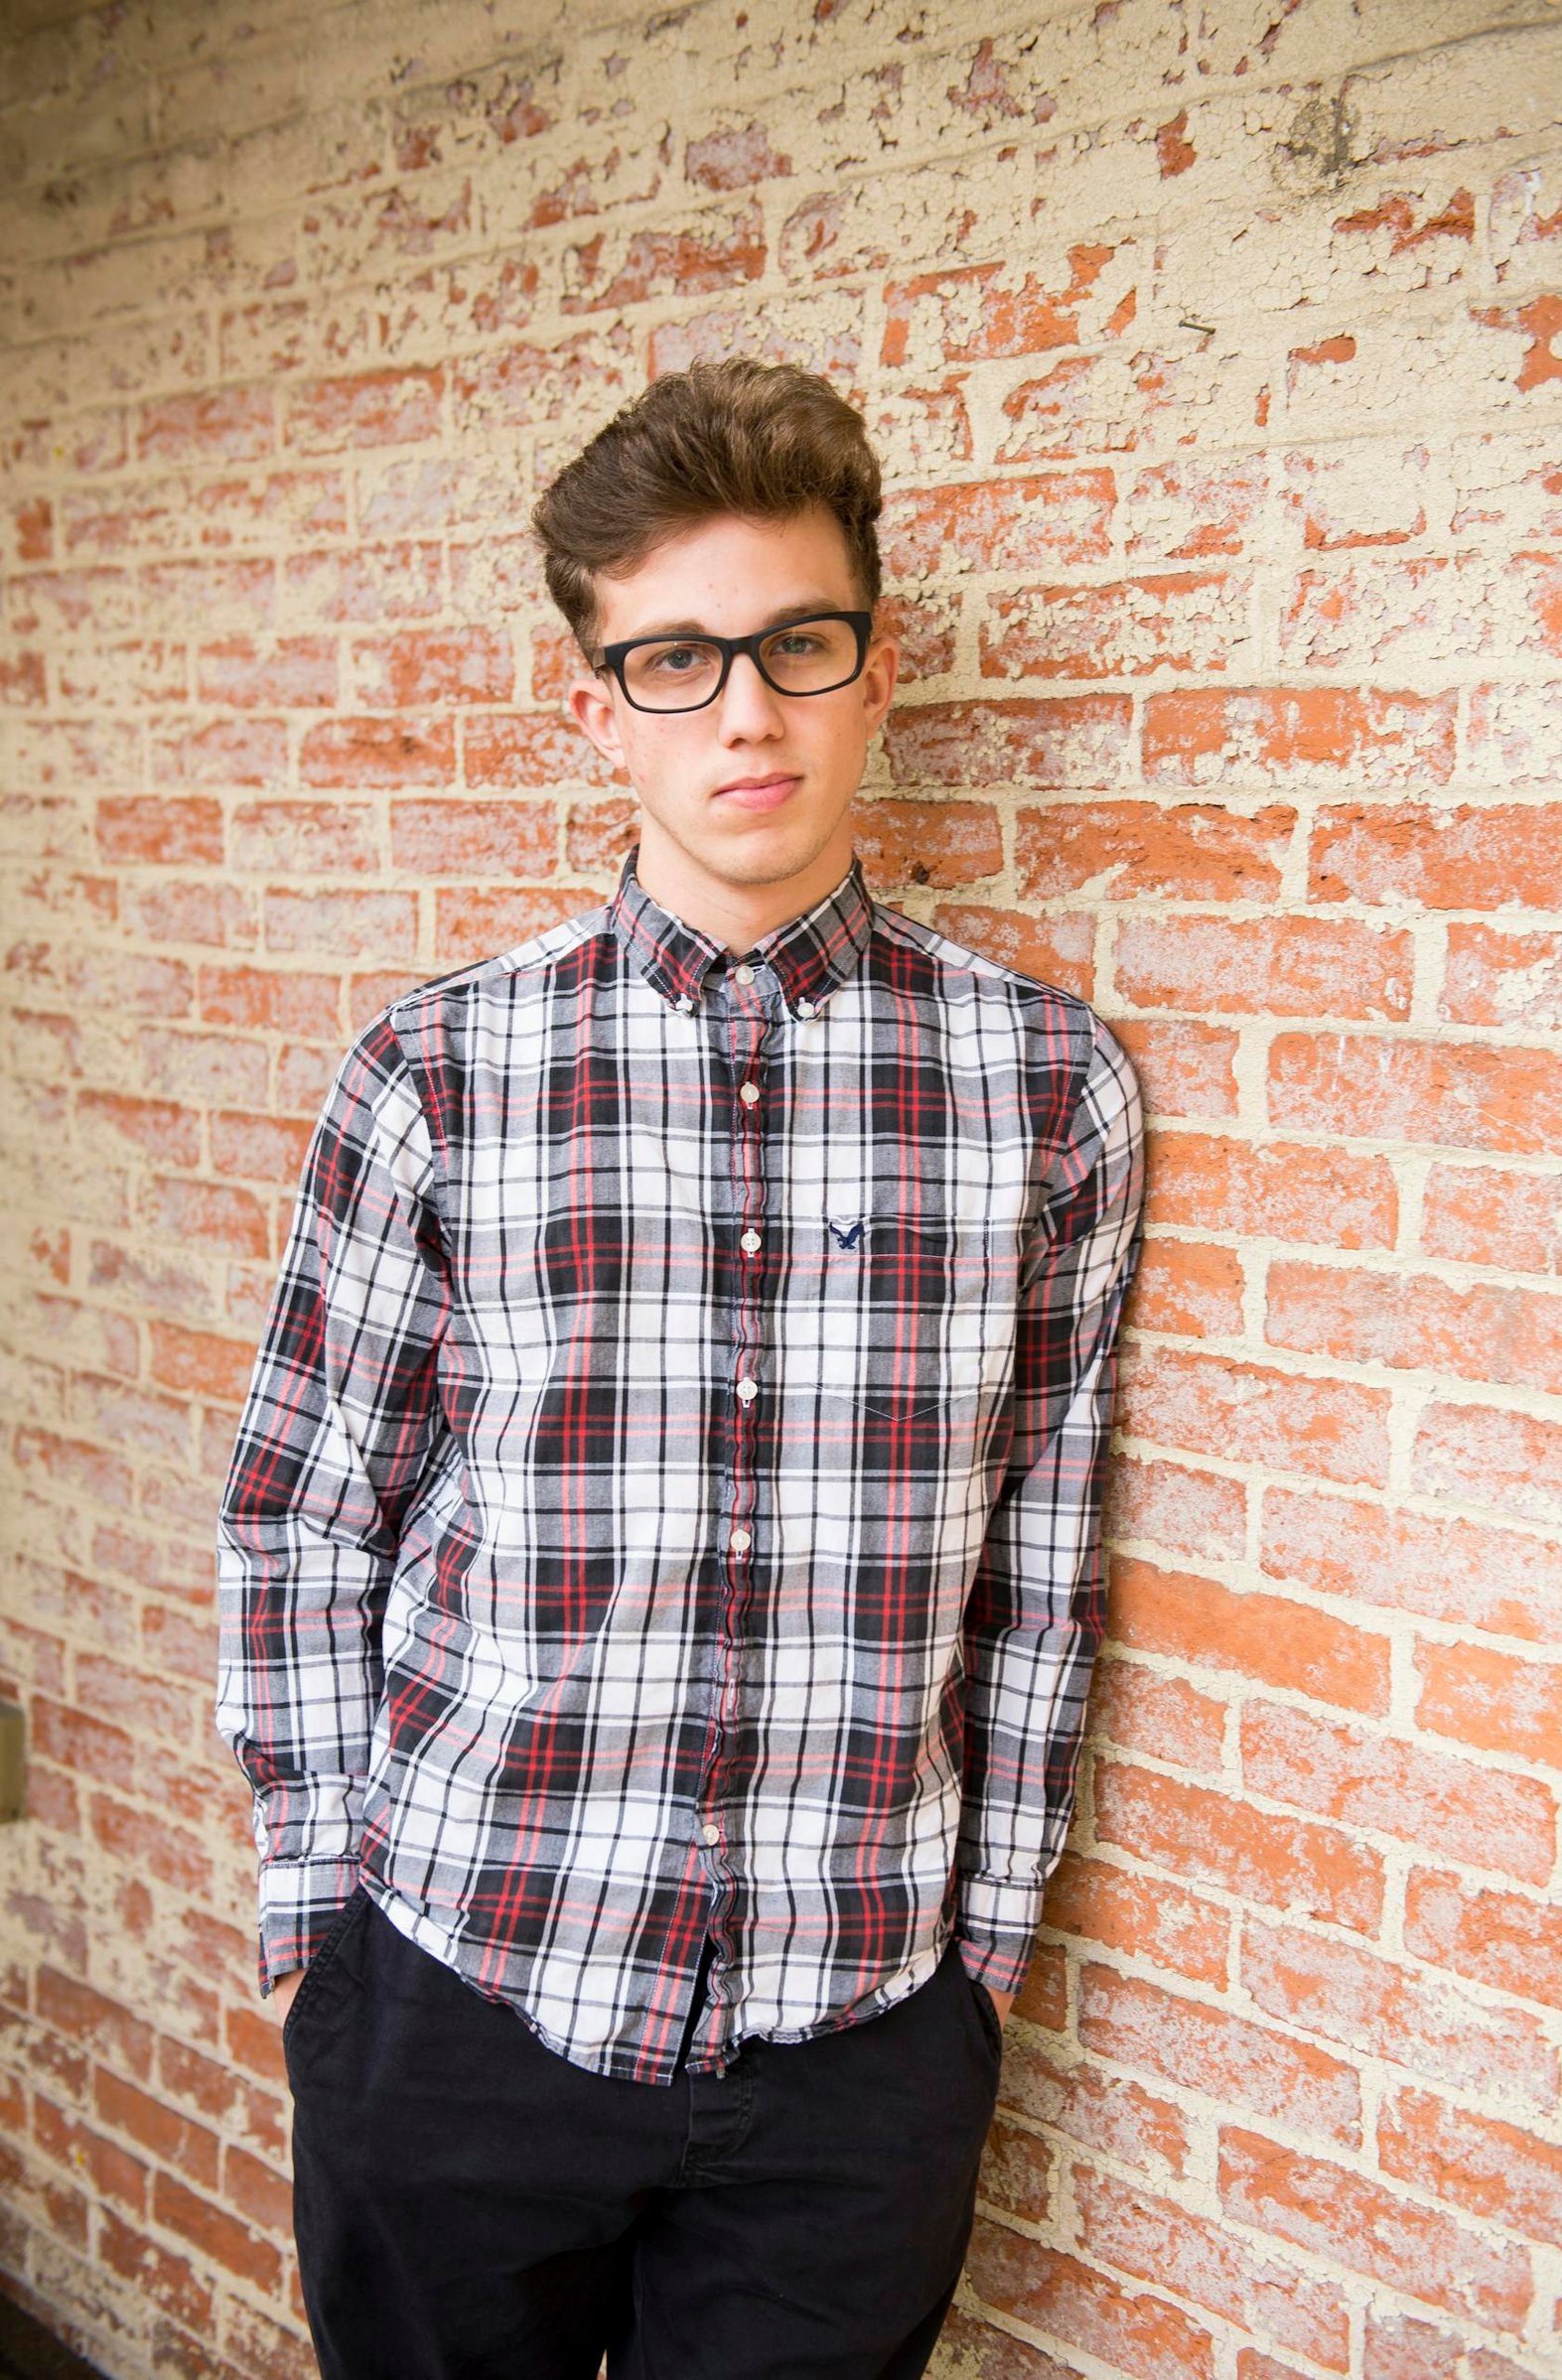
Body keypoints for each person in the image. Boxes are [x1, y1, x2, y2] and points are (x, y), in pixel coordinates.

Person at [215, 354, 1146, 2380]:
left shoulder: (1042, 1088)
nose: (743, 707)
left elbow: (1044, 1554)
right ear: (591, 704)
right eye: (672, 658)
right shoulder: (434, 1076)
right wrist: (320, 1917)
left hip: (855, 2045)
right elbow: (303, 1501)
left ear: (872, 669)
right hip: (459, 1995)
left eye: (794, 643)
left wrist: (980, 1953)